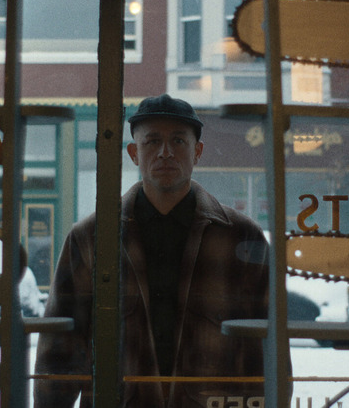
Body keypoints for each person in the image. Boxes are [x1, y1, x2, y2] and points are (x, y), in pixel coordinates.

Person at [34, 94, 277, 408]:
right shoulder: (91, 237)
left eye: (178, 141)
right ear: (134, 153)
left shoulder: (241, 237)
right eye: (152, 142)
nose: (165, 152)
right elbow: (59, 349)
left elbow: (268, 350)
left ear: (197, 152)